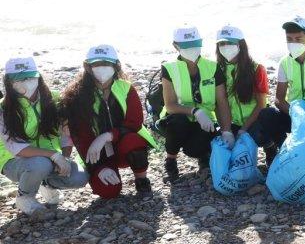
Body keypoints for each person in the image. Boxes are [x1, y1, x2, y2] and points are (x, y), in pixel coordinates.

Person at [61, 45, 156, 199]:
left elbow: (134, 123)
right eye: (96, 64)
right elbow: (80, 137)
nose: (102, 67)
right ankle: (102, 171)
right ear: (88, 67)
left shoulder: (126, 88)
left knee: (133, 140)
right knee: (109, 191)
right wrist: (99, 168)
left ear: (116, 65)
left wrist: (106, 136)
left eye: (106, 63)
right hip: (95, 151)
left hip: (123, 144)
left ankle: (141, 180)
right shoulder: (77, 96)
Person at [1, 57, 88, 216]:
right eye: (19, 79)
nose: (26, 82)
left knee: (79, 177)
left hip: (49, 158)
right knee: (40, 164)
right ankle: (25, 197)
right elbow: (17, 148)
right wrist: (53, 155)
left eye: (30, 77)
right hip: (13, 161)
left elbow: (65, 134)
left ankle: (46, 185)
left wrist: (64, 158)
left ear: (38, 77)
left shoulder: (55, 99)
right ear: (9, 82)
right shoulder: (3, 109)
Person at [257, 16, 305, 159]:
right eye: (289, 39)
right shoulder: (284, 62)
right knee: (267, 114)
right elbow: (279, 99)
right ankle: (284, 151)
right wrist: (296, 114)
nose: (293, 43)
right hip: (294, 114)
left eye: (298, 39)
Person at [159, 25, 219, 182]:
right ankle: (171, 159)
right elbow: (170, 105)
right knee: (178, 122)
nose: (192, 49)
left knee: (197, 147)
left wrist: (226, 131)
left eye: (195, 44)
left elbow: (222, 101)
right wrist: (195, 111)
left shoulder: (213, 67)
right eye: (186, 46)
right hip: (178, 118)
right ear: (176, 46)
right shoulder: (169, 68)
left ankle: (203, 156)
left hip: (205, 121)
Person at [213, 25, 269, 151]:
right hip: (231, 123)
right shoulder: (217, 70)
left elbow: (261, 104)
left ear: (240, 45)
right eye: (221, 44)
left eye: (230, 43)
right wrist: (226, 130)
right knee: (215, 142)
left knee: (260, 132)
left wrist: (243, 130)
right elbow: (218, 104)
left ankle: (269, 146)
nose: (225, 47)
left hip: (254, 121)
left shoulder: (257, 68)